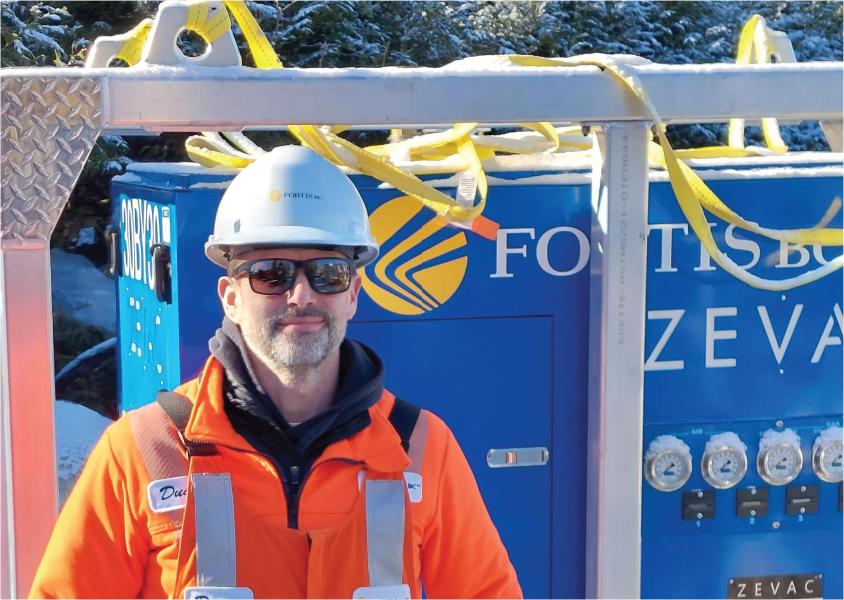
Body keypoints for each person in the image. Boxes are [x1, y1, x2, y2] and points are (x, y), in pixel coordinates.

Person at [30, 146, 522, 599]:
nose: (301, 296)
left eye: (327, 273)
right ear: (230, 297)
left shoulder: (421, 449)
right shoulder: (144, 450)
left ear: (352, 295)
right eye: (271, 273)